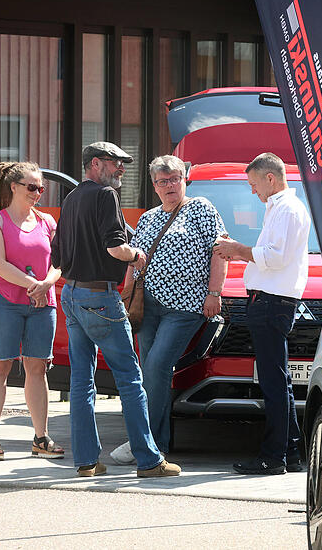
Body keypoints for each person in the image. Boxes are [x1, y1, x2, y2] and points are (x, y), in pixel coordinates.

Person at [50, 141, 182, 478]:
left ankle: (87, 461)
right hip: (100, 298)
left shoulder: (71, 197)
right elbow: (114, 247)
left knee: (81, 381)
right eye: (116, 162)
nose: (122, 168)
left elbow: (57, 256)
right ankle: (150, 461)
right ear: (96, 163)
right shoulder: (105, 195)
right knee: (130, 379)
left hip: (72, 294)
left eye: (124, 163)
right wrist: (136, 255)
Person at [110, 155, 228, 464]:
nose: (169, 185)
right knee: (150, 372)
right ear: (154, 186)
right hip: (148, 306)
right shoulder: (148, 218)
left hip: (185, 306)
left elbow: (220, 252)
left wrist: (214, 292)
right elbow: (135, 260)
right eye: (162, 181)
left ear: (184, 179)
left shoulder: (201, 208)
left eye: (174, 179)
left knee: (157, 365)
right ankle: (155, 444)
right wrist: (127, 295)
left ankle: (144, 442)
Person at [213, 152, 311, 475]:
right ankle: (291, 452)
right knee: (278, 382)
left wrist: (235, 250)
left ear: (271, 178)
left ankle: (273, 456)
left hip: (271, 303)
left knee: (273, 383)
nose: (252, 192)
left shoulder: (285, 209)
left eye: (254, 184)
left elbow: (274, 257)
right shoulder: (281, 208)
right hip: (270, 302)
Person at [0, 161, 65, 461]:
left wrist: (47, 284)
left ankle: (41, 438)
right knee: (0, 365)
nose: (37, 193)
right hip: (5, 301)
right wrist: (35, 285)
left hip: (42, 304)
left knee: (38, 367)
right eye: (31, 187)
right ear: (14, 187)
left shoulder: (47, 223)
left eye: (40, 188)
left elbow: (59, 263)